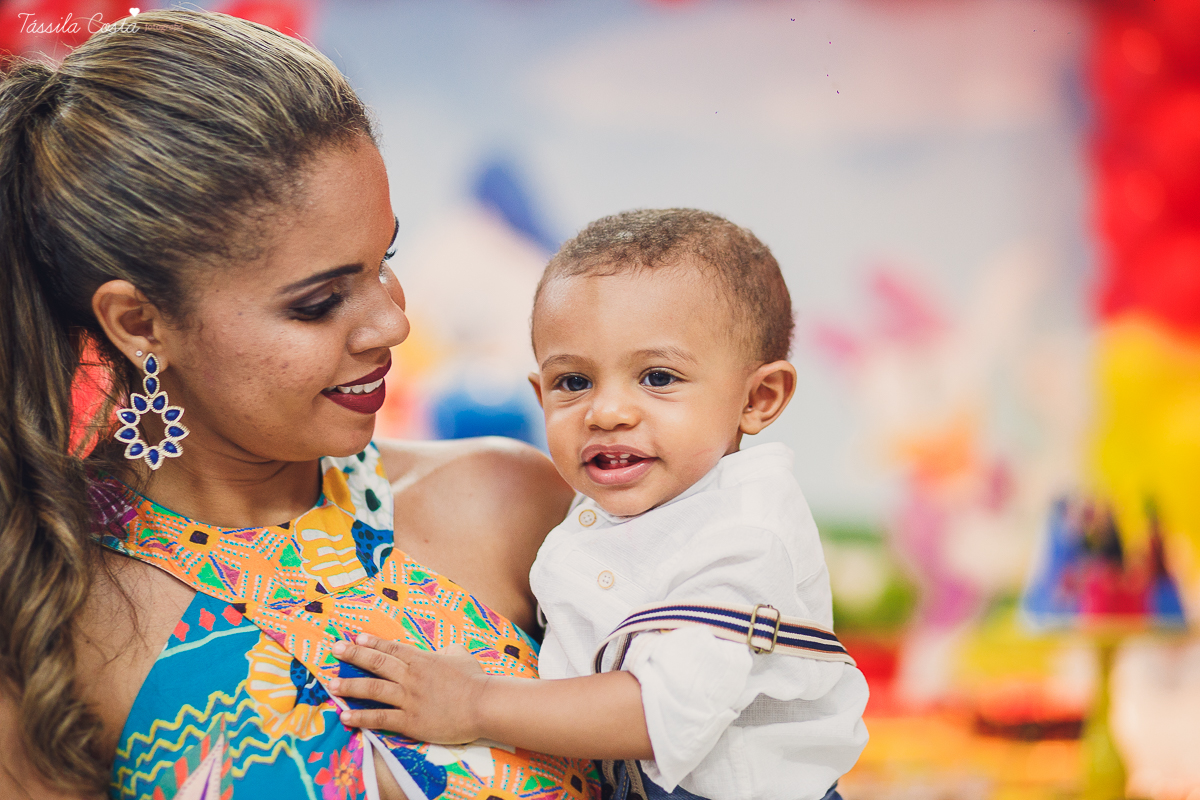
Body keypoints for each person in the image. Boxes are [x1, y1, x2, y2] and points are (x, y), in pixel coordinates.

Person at [0, 11, 597, 800]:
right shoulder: (51, 623)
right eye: (318, 302)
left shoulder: (513, 506)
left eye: (384, 259)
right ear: (140, 323)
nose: (393, 321)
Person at [330, 209, 870, 800]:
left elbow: (659, 711)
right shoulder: (609, 513)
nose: (607, 411)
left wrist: (476, 702)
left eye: (658, 378)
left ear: (759, 398)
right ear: (539, 396)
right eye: (574, 382)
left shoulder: (744, 529)